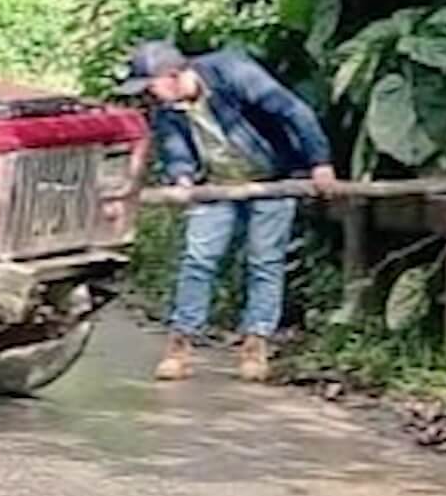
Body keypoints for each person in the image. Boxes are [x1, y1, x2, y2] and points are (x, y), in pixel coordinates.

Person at [117, 40, 337, 382]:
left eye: (151, 86)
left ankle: (256, 343)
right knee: (198, 259)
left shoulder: (232, 72)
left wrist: (319, 161)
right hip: (217, 183)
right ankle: (181, 343)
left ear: (173, 76)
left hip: (271, 178)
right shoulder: (170, 108)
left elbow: (292, 110)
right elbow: (174, 147)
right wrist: (181, 176)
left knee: (265, 261)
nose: (150, 94)